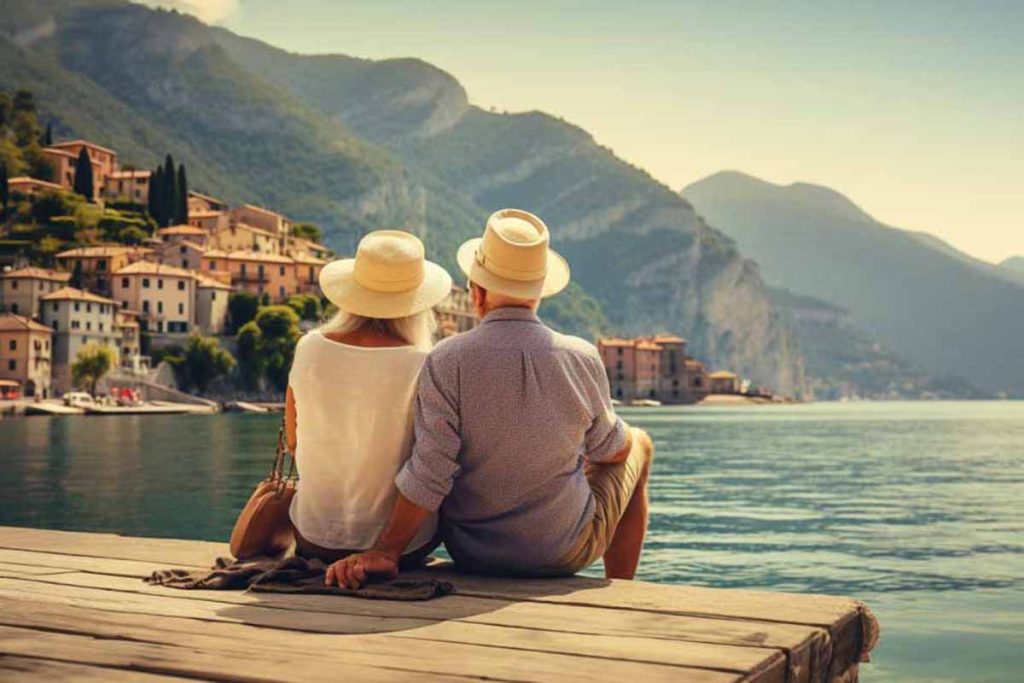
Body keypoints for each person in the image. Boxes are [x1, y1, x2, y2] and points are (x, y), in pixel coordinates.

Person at [326, 209, 654, 588]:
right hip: (563, 552)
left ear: (476, 292)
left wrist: (386, 551)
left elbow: (431, 470)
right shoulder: (580, 357)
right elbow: (611, 452)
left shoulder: (447, 359)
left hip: (472, 553)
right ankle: (623, 589)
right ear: (539, 294)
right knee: (639, 443)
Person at [285, 230, 452, 566]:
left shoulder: (308, 347)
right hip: (404, 546)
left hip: (313, 537)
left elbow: (293, 441)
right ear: (418, 305)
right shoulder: (423, 363)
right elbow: (433, 467)